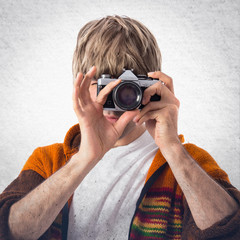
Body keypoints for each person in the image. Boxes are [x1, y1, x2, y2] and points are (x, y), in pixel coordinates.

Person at [0, 15, 239, 240]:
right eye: (103, 86)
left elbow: (231, 231)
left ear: (152, 87)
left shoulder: (189, 162)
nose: (114, 102)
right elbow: (9, 231)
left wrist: (173, 149)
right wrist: (85, 158)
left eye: (127, 89)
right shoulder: (49, 161)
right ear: (81, 86)